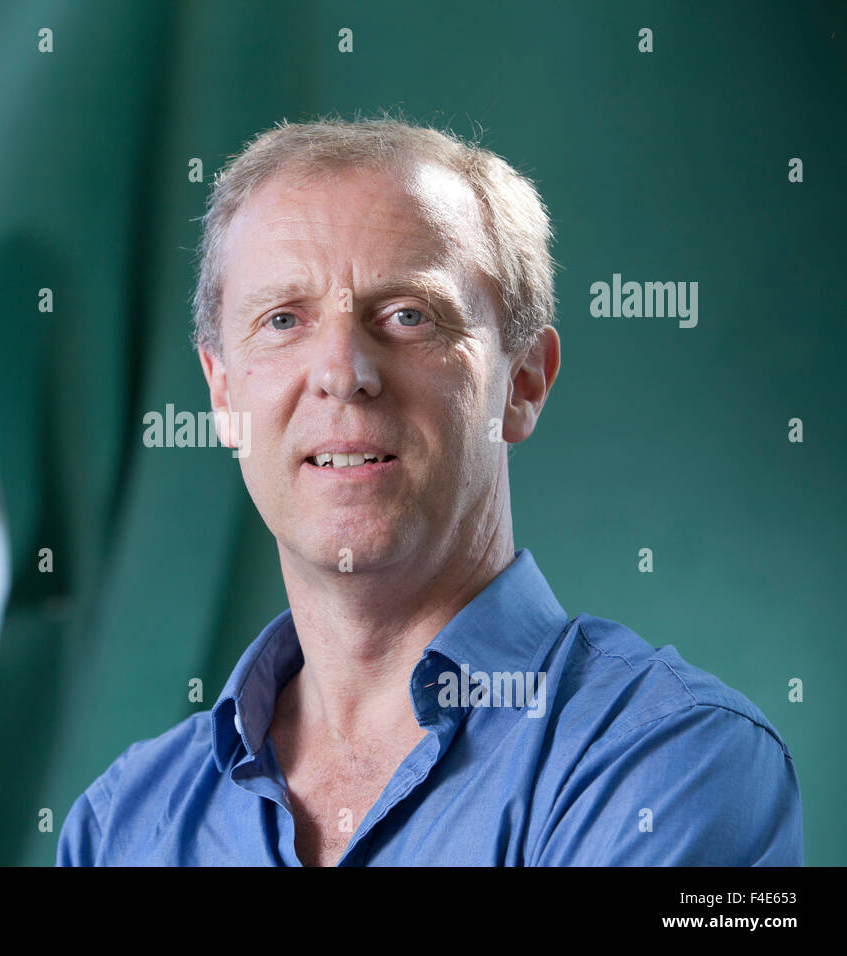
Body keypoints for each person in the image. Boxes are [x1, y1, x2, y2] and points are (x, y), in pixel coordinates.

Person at [56, 116, 803, 866]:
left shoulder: (676, 765)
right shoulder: (119, 824)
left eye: (409, 316)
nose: (343, 372)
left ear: (523, 381)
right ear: (221, 395)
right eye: (283, 320)